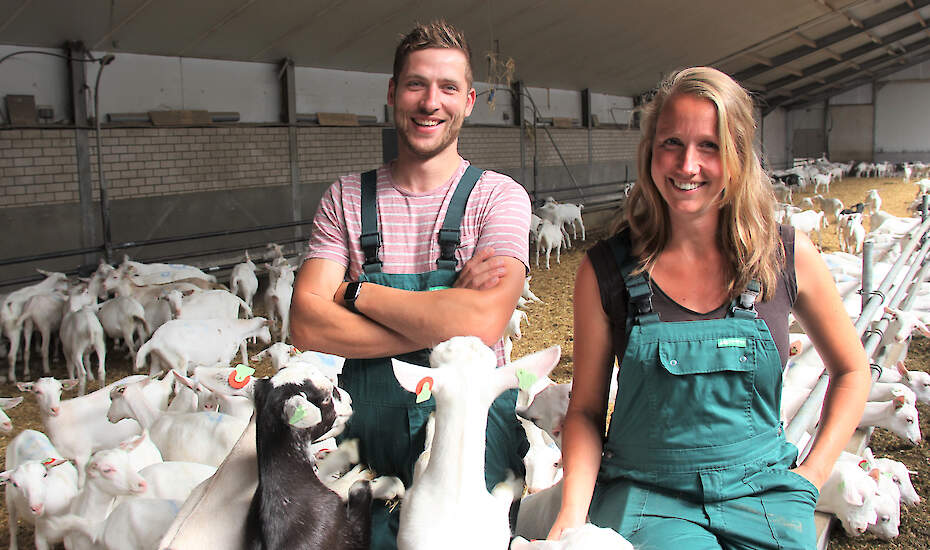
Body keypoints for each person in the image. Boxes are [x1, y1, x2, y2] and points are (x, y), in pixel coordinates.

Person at [547, 67, 870, 549]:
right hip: (645, 498)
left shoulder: (785, 255)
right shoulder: (605, 270)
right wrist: (569, 521)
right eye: (671, 142)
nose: (687, 164)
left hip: (765, 498)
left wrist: (812, 476)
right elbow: (588, 410)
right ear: (650, 151)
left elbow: (852, 370)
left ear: (738, 155)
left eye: (710, 146)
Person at [289, 20, 532, 550]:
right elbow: (306, 323)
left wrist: (357, 295)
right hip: (364, 429)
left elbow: (485, 320)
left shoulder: (499, 198)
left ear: (469, 101)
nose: (430, 102)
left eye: (448, 88)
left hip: (468, 430)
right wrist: (446, 315)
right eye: (416, 84)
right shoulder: (346, 199)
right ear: (393, 93)